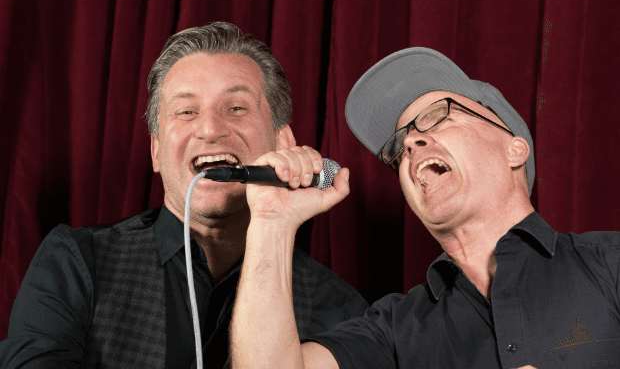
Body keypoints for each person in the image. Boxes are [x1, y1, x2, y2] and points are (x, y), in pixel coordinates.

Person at [0, 22, 368, 369]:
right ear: (156, 151)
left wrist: (273, 220)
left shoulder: (335, 304)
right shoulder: (77, 262)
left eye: (236, 108)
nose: (209, 129)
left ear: (283, 143)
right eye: (186, 111)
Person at [230, 47, 620, 368]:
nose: (409, 143)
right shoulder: (394, 328)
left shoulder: (610, 263)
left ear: (513, 149)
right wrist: (271, 222)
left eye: (437, 115)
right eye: (398, 146)